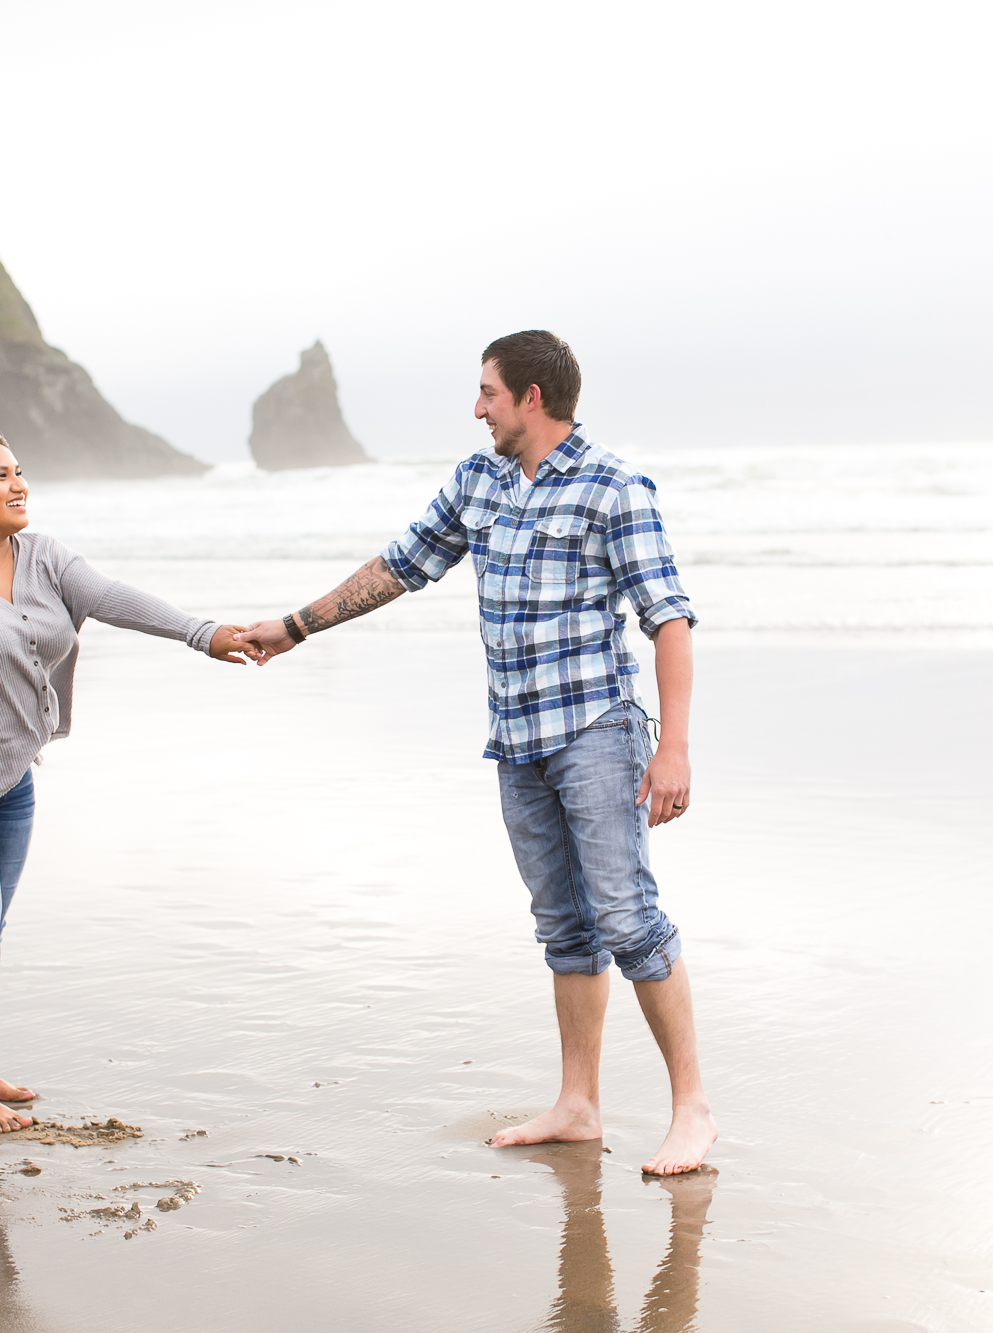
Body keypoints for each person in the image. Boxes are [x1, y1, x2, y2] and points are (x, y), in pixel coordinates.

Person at [236, 331, 716, 1174]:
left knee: (628, 916)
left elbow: (667, 618)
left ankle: (692, 1110)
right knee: (564, 928)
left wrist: (672, 749)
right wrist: (296, 626)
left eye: (488, 391)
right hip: (517, 741)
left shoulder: (614, 487)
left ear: (532, 396)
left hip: (597, 733)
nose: (477, 407)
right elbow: (401, 565)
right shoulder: (480, 480)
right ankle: (578, 1104)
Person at [0, 427, 259, 1132]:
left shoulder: (43, 557)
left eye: (20, 471)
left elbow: (113, 598)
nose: (19, 484)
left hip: (9, 778)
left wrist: (202, 633)